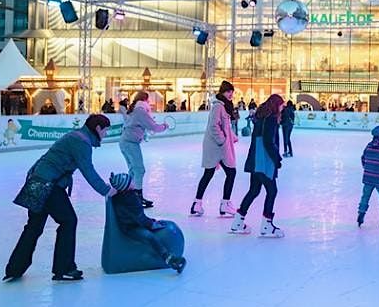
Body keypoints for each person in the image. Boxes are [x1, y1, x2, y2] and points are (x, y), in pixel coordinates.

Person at [4, 114, 117, 281]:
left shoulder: (76, 136)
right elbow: (88, 170)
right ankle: (64, 268)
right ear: (98, 128)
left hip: (38, 180)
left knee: (34, 226)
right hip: (48, 184)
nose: (106, 134)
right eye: (105, 130)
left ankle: (15, 268)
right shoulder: (81, 142)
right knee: (68, 221)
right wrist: (107, 190)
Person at [230, 94, 285, 238]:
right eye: (281, 104)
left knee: (254, 190)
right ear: (276, 105)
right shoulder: (271, 118)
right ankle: (267, 225)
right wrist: (277, 158)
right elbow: (268, 141)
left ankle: (238, 222)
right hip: (264, 162)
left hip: (255, 160)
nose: (282, 107)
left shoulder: (261, 117)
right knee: (272, 191)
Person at [109, 172, 186, 273]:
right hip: (130, 227)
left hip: (130, 223)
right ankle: (169, 259)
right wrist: (152, 225)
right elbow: (140, 219)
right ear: (126, 187)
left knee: (150, 232)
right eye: (130, 181)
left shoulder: (124, 196)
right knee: (150, 236)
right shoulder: (129, 199)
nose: (133, 181)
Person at [192, 81, 240, 218]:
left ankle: (197, 203)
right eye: (228, 91)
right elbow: (214, 126)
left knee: (209, 174)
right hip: (217, 147)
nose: (231, 94)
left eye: (232, 92)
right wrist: (223, 141)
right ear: (223, 92)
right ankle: (224, 203)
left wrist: (232, 137)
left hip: (218, 147)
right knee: (231, 172)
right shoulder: (218, 107)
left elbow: (224, 127)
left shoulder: (224, 106)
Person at [119, 91, 168, 208]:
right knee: (139, 170)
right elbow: (153, 126)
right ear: (144, 100)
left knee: (133, 170)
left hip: (125, 142)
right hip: (130, 143)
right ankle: (137, 197)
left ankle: (130, 195)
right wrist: (165, 126)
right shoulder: (140, 111)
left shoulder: (136, 109)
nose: (149, 102)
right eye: (148, 100)